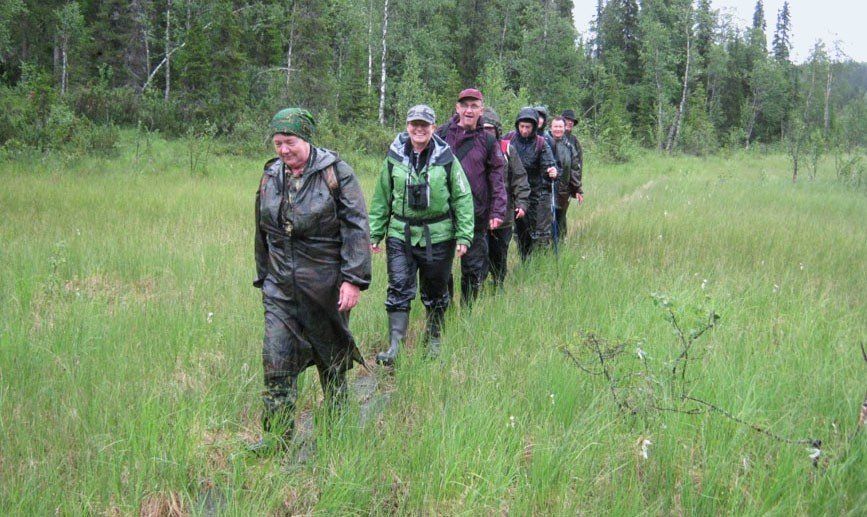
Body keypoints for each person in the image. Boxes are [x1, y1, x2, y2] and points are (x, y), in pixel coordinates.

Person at [253, 108, 371, 451]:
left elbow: (356, 226)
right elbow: (261, 230)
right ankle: (277, 438)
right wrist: (264, 276)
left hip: (325, 285)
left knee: (330, 358)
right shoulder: (270, 175)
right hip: (280, 286)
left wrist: (353, 279)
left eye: (289, 142)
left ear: (306, 138)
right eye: (278, 143)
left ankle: (337, 425)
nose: (283, 150)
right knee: (276, 359)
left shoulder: (337, 173)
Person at [369, 105, 475, 365]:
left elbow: (462, 197)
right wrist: (376, 231)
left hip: (439, 236)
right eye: (414, 124)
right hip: (400, 233)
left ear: (433, 127)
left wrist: (464, 235)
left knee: (436, 290)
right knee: (398, 287)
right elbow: (382, 195)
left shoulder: (446, 157)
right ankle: (395, 346)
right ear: (407, 126)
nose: (419, 129)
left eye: (424, 124)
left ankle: (435, 338)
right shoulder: (394, 156)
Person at [435, 88, 507, 306]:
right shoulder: (440, 135)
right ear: (457, 108)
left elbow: (497, 177)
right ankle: (443, 309)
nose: (469, 110)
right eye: (464, 105)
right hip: (443, 213)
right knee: (441, 268)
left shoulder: (487, 141)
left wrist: (497, 210)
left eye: (474, 106)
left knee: (473, 268)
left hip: (476, 213)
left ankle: (467, 311)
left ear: (480, 110)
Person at [481, 108, 530, 288]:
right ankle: (479, 286)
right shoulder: (472, 149)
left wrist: (522, 203)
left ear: (497, 130)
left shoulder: (507, 149)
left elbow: (520, 179)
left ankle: (498, 284)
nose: (487, 133)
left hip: (504, 216)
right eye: (483, 128)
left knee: (500, 253)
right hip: (479, 214)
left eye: (490, 129)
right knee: (480, 255)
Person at [504, 107, 558, 260]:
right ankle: (524, 259)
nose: (524, 130)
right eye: (522, 126)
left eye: (528, 127)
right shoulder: (508, 139)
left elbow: (549, 167)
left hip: (535, 194)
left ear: (534, 127)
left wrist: (552, 172)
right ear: (517, 125)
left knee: (536, 231)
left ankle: (536, 261)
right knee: (519, 231)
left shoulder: (541, 143)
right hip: (514, 193)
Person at [549, 116, 583, 241]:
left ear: (564, 129)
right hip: (546, 190)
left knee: (560, 220)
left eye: (560, 127)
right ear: (551, 127)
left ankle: (560, 245)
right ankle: (544, 249)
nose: (558, 129)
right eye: (555, 126)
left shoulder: (569, 146)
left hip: (564, 191)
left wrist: (578, 189)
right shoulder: (544, 142)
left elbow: (575, 169)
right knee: (546, 221)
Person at [560, 109, 585, 177]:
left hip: (572, 179)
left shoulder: (575, 140)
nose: (570, 122)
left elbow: (579, 162)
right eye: (567, 119)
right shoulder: (553, 137)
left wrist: (577, 180)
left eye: (572, 121)